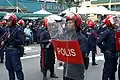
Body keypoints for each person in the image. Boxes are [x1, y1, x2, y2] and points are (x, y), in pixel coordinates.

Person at [63, 12, 90, 80]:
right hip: (66, 71)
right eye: (67, 23)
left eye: (71, 22)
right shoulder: (66, 36)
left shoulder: (82, 38)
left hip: (76, 72)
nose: (68, 24)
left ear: (76, 23)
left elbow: (82, 53)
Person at [2, 13, 24, 80]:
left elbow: (21, 41)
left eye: (9, 21)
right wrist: (4, 41)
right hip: (7, 51)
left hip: (14, 51)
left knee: (17, 69)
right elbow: (5, 39)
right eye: (7, 21)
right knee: (10, 69)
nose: (7, 22)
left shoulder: (18, 30)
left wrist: (12, 38)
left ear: (13, 21)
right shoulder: (7, 30)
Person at [97, 15, 118, 80]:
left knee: (113, 71)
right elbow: (98, 42)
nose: (115, 23)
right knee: (107, 72)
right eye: (113, 22)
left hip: (114, 54)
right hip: (109, 54)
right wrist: (104, 49)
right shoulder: (107, 32)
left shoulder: (114, 31)